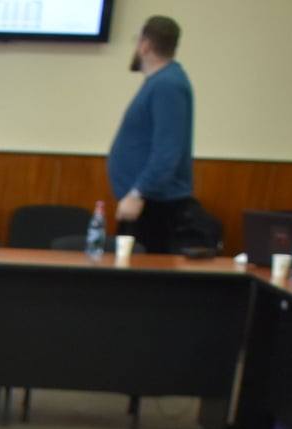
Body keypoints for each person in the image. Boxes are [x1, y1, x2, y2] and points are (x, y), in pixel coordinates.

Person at [107, 15, 194, 255]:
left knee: (143, 273)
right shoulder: (160, 82)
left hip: (154, 206)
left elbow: (168, 151)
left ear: (145, 45)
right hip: (145, 203)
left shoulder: (167, 85)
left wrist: (138, 192)